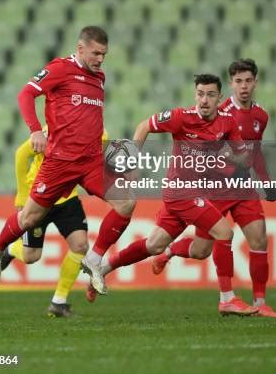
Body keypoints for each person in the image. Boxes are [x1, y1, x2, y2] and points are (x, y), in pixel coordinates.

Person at [89, 73, 258, 316]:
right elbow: (144, 125)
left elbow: (243, 157)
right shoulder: (181, 117)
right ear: (195, 95)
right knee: (225, 233)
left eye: (210, 95)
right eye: (200, 94)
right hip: (180, 191)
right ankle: (227, 299)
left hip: (196, 192)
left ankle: (102, 269)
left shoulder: (228, 123)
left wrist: (230, 154)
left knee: (156, 245)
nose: (204, 100)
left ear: (219, 97)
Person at [0, 25, 135, 295]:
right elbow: (26, 94)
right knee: (29, 218)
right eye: (96, 53)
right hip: (60, 162)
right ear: (80, 48)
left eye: (104, 54)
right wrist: (34, 129)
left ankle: (94, 260)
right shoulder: (60, 69)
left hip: (90, 162)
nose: (100, 59)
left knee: (126, 203)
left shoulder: (99, 77)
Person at [152, 59, 276, 318]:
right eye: (238, 81)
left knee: (259, 238)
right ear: (231, 84)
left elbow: (255, 152)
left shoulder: (261, 116)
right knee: (202, 250)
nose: (243, 86)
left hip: (243, 187)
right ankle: (169, 251)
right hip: (216, 188)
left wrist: (266, 182)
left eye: (248, 81)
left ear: (255, 82)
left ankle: (260, 302)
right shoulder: (218, 113)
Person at [1, 126, 108, 317]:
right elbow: (21, 154)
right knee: (31, 256)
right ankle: (10, 249)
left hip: (67, 197)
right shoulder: (53, 129)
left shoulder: (100, 134)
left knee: (81, 245)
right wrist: (22, 196)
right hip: (40, 197)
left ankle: (59, 302)